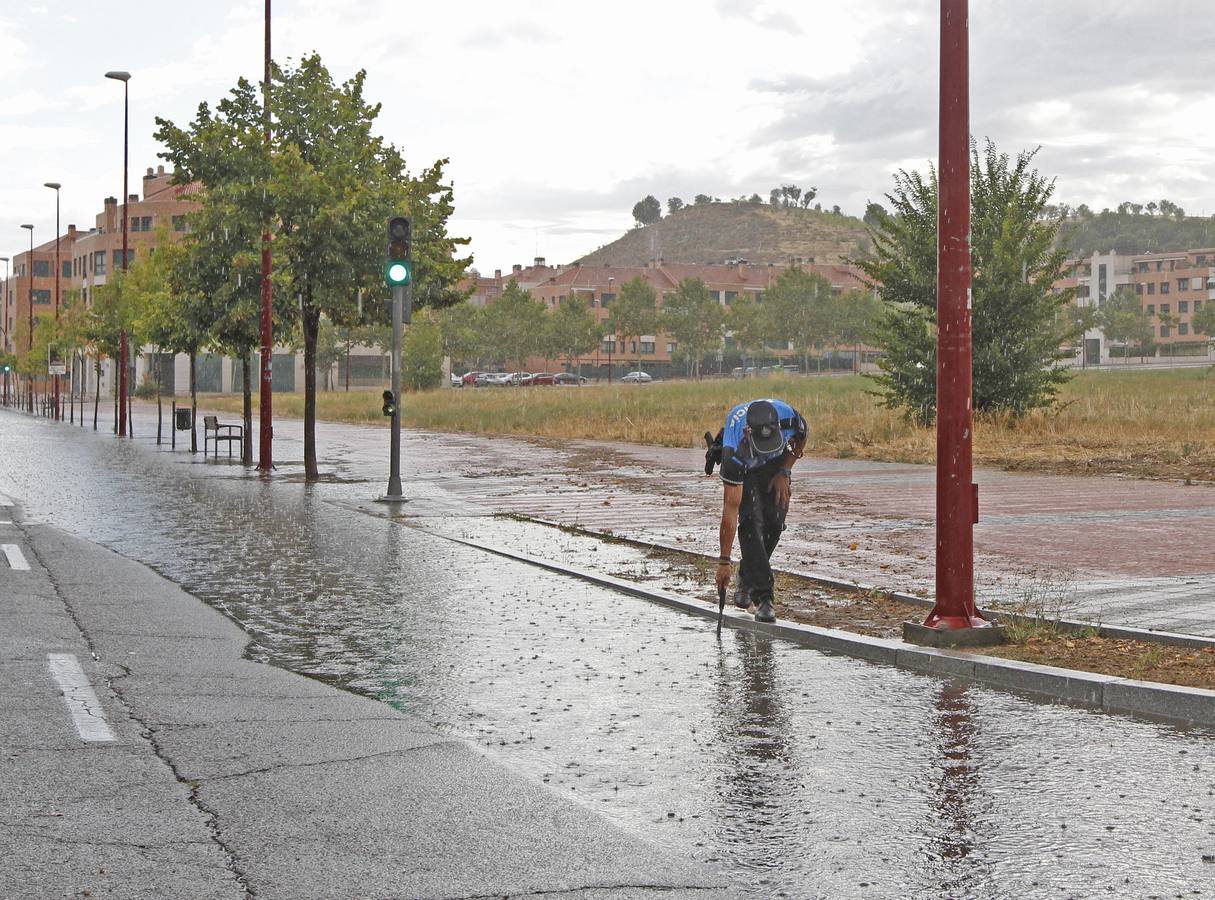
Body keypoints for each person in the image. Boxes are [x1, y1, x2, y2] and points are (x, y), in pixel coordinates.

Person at [713, 398, 807, 623]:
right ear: (748, 433)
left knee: (775, 521)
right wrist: (724, 562)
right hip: (747, 469)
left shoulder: (790, 418)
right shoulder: (733, 451)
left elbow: (801, 439)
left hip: (775, 464)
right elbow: (730, 510)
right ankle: (764, 597)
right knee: (750, 524)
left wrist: (785, 471)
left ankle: (747, 574)